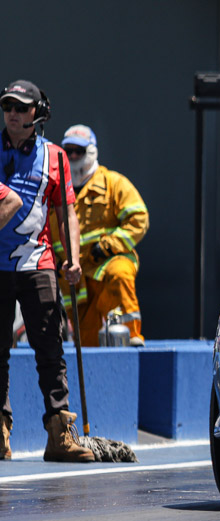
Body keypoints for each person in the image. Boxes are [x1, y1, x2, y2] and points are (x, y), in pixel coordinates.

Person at [0, 79, 93, 462]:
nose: (12, 114)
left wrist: (73, 258)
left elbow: (65, 210)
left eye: (21, 107)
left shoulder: (55, 156)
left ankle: (59, 435)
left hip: (38, 264)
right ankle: (0, 433)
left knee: (50, 350)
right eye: (7, 107)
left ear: (38, 113)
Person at [51, 124, 148, 346]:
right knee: (87, 347)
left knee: (119, 274)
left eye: (79, 151)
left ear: (91, 152)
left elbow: (139, 219)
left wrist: (108, 246)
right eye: (68, 151)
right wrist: (55, 263)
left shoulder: (113, 183)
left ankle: (131, 335)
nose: (73, 156)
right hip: (75, 279)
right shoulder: (55, 190)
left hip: (106, 263)